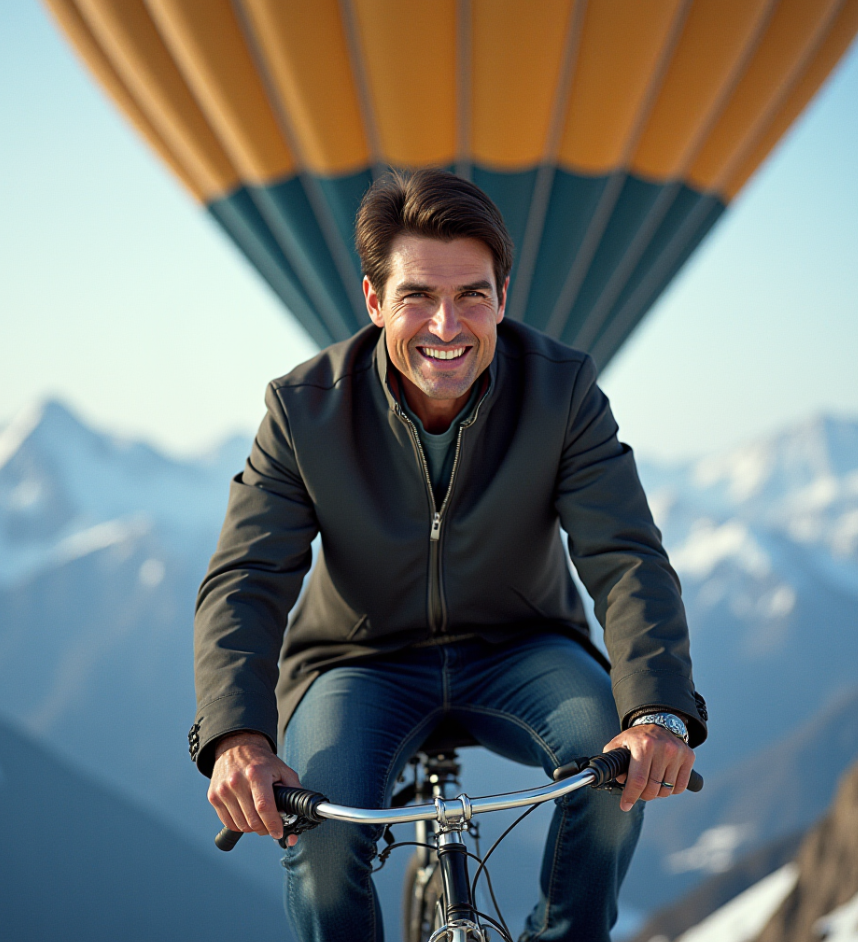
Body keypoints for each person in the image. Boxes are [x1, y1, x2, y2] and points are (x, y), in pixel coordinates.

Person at [189, 169, 707, 942]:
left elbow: (627, 555)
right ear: (373, 301)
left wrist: (656, 713)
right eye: (418, 297)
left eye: (472, 295)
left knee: (610, 778)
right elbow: (245, 578)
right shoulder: (303, 409)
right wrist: (238, 736)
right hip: (356, 662)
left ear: (503, 297)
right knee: (322, 843)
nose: (446, 324)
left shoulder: (563, 391)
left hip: (525, 648)